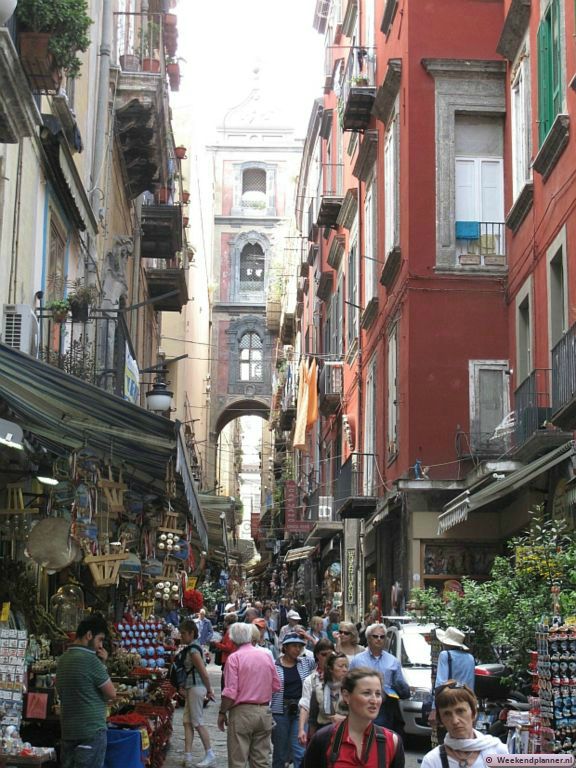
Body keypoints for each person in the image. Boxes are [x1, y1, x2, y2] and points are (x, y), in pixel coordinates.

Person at [303, 667, 405, 768]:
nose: (374, 700)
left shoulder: (392, 741)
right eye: (366, 693)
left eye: (378, 694)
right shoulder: (323, 739)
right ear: (346, 696)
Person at [55, 614, 117, 768]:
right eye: (100, 639)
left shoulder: (62, 660)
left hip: (68, 732)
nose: (101, 646)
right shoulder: (91, 660)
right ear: (89, 635)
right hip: (91, 732)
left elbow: (60, 691)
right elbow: (112, 693)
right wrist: (103, 663)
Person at [217, 622, 281, 768]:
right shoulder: (265, 656)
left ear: (233, 640)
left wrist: (222, 712)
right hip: (264, 712)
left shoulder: (234, 658)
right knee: (261, 761)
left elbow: (230, 692)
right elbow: (277, 685)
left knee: (238, 761)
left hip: (242, 713)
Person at [421, 681, 507, 768]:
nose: (455, 721)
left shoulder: (497, 751)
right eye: (447, 714)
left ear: (473, 713)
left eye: (460, 711)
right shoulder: (432, 761)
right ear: (441, 720)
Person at [349, 623, 410, 734]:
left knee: (381, 740)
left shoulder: (393, 661)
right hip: (362, 707)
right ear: (368, 638)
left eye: (382, 637)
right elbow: (349, 684)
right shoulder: (357, 661)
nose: (379, 639)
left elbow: (401, 686)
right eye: (375, 636)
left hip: (385, 709)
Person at [271, 632, 316, 768]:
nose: (297, 649)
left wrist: (310, 639)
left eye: (299, 646)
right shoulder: (274, 665)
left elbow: (325, 653)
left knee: (300, 750)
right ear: (285, 647)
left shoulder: (305, 663)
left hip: (300, 711)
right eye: (294, 646)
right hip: (280, 711)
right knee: (280, 752)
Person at [179, 618, 216, 768]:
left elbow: (203, 673)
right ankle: (187, 756)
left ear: (191, 633)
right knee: (187, 721)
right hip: (191, 687)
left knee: (198, 722)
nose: (181, 636)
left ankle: (210, 753)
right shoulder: (192, 648)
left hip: (196, 687)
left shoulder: (193, 650)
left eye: (183, 633)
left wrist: (209, 690)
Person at [429, 627, 476, 727]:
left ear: (447, 643)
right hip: (465, 701)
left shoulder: (445, 655)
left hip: (449, 700)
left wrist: (434, 708)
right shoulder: (470, 658)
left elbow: (440, 683)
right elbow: (470, 684)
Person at [297, 639, 336, 745]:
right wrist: (301, 729)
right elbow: (305, 705)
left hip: (340, 729)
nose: (328, 658)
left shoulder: (343, 677)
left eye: (331, 654)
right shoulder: (311, 679)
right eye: (324, 654)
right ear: (317, 656)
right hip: (319, 728)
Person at [305, 652, 349, 740]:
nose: (344, 670)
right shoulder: (318, 691)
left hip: (346, 734)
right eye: (340, 666)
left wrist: (344, 719)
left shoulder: (351, 691)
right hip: (324, 735)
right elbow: (313, 720)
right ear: (331, 669)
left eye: (346, 666)